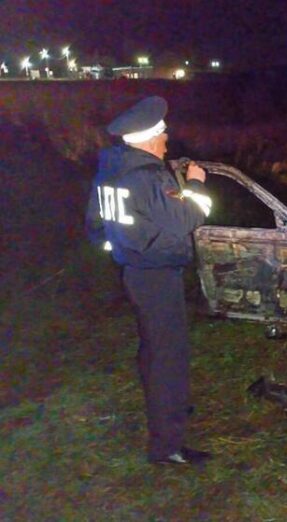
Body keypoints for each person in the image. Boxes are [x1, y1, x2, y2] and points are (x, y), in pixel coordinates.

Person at [86, 96, 213, 465]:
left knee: (154, 350)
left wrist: (125, 250)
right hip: (157, 276)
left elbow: (96, 225)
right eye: (163, 138)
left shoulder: (109, 171)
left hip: (136, 274)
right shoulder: (149, 177)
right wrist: (196, 184)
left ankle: (169, 405)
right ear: (149, 140)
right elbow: (188, 218)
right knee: (168, 356)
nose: (166, 144)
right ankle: (167, 445)